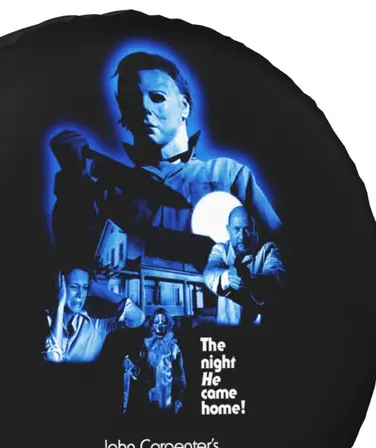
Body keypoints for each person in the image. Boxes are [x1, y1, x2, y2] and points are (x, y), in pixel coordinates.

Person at [50, 51, 281, 262]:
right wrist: (72, 177)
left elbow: (280, 251)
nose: (144, 107)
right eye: (132, 100)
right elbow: (74, 258)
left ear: (184, 107)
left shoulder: (228, 175)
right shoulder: (108, 191)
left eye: (157, 97)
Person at [203, 206, 285, 326]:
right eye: (236, 229)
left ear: (254, 229)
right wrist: (227, 277)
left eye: (247, 229)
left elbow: (275, 275)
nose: (242, 236)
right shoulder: (220, 250)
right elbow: (209, 273)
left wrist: (252, 281)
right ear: (228, 230)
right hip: (227, 333)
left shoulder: (268, 249)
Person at [44, 267, 145, 363]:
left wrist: (95, 288)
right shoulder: (46, 320)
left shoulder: (96, 323)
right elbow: (53, 359)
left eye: (85, 288)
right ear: (59, 286)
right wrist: (60, 305)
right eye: (74, 287)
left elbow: (138, 318)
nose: (80, 295)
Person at [123, 308, 186, 414]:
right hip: (147, 400)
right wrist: (131, 366)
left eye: (163, 323)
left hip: (167, 399)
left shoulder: (173, 347)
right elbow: (140, 372)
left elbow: (180, 376)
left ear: (168, 325)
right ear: (152, 325)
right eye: (156, 322)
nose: (160, 326)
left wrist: (178, 400)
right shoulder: (145, 345)